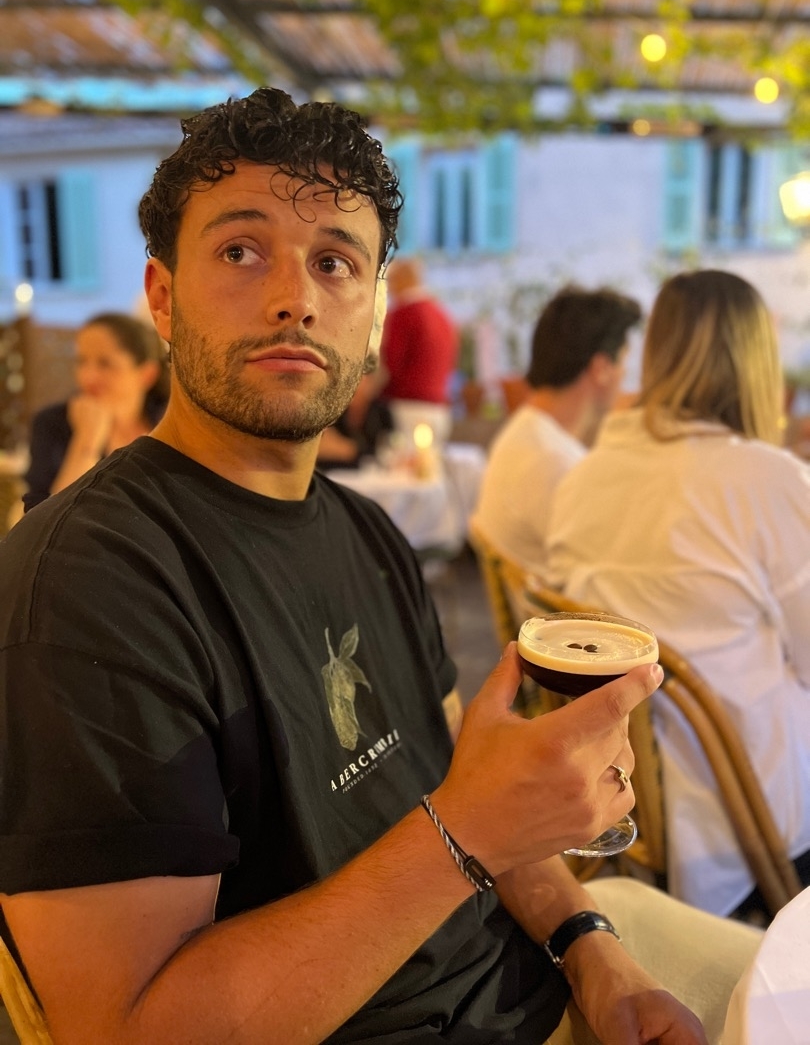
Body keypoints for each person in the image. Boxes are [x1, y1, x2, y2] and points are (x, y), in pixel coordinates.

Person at [0, 90, 758, 1045]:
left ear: (370, 314)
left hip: (542, 971)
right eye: (240, 251)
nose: (296, 297)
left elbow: (470, 797)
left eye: (335, 262)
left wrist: (592, 950)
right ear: (162, 296)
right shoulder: (87, 588)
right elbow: (126, 1027)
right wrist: (466, 834)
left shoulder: (369, 535)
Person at [546, 268, 810, 919]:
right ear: (757, 363)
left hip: (619, 784)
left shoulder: (584, 477)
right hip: (746, 811)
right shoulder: (770, 480)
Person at [472, 284, 642, 577]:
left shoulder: (529, 433)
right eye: (624, 362)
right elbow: (615, 570)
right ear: (601, 368)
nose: (625, 376)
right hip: (557, 606)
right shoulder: (551, 461)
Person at [22, 310, 169, 510]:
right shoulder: (52, 423)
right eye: (82, 361)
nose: (88, 376)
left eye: (105, 364)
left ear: (147, 374)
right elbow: (39, 519)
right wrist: (86, 441)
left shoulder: (169, 421)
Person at [380, 256, 459, 445]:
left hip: (406, 408)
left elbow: (390, 364)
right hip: (439, 410)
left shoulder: (403, 313)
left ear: (401, 280)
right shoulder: (442, 315)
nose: (389, 289)